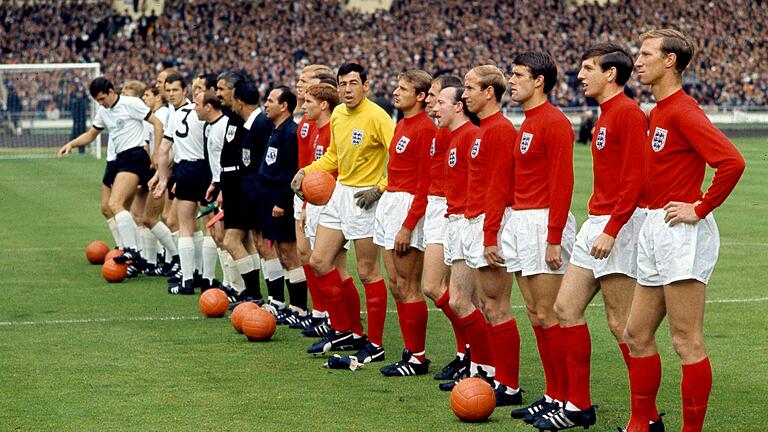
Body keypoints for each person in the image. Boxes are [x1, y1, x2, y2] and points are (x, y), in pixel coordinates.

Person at [622, 29, 745, 432]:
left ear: (670, 61)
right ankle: (643, 423)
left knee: (684, 339)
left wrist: (701, 206)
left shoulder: (682, 110)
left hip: (680, 230)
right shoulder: (657, 112)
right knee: (636, 333)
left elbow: (731, 162)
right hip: (656, 226)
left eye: (645, 54)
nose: (637, 61)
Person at [534, 43, 650, 431]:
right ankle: (578, 406)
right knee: (565, 309)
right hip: (596, 222)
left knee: (623, 326)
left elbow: (636, 180)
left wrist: (613, 231)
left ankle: (645, 418)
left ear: (611, 74)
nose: (579, 75)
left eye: (587, 68)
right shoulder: (604, 116)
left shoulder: (629, 114)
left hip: (618, 227)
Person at [291, 62, 395, 364]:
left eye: (353, 83)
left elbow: (400, 156)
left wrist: (381, 187)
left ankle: (375, 343)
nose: (347, 89)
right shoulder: (337, 114)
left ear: (366, 85)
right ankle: (348, 330)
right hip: (340, 193)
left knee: (367, 271)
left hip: (365, 197)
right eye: (342, 84)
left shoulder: (377, 117)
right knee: (320, 261)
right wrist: (306, 171)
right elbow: (334, 155)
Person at [503, 52, 577, 423]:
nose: (510, 80)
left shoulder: (554, 122)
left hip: (544, 222)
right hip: (522, 221)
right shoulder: (528, 122)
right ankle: (552, 394)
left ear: (539, 82)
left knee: (550, 315)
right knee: (535, 314)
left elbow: (563, 183)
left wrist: (553, 238)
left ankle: (569, 399)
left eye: (518, 75)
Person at [457, 64, 522, 407]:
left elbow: (499, 188)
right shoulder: (483, 130)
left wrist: (490, 235)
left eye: (469, 88)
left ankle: (509, 385)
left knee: (497, 305)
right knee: (485, 304)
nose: (464, 94)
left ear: (489, 93)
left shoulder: (500, 130)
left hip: (491, 224)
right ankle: (495, 375)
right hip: (477, 221)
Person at [56, 77, 164, 272]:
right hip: (120, 159)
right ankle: (135, 253)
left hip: (136, 155)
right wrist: (71, 144)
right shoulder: (103, 111)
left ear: (112, 91)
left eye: (102, 98)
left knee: (116, 204)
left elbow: (157, 124)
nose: (101, 103)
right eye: (98, 101)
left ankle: (132, 250)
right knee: (112, 207)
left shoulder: (130, 103)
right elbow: (91, 134)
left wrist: (155, 153)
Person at [371, 70, 435, 376]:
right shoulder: (401, 125)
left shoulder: (425, 129)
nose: (396, 93)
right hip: (390, 203)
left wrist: (409, 224)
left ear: (420, 97)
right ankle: (410, 352)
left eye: (403, 89)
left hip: (407, 207)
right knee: (396, 284)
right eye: (396, 87)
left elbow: (426, 183)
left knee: (409, 285)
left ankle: (418, 358)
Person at [431, 83, 484, 390]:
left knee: (470, 301)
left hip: (469, 221)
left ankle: (482, 367)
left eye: (440, 102)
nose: (434, 108)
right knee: (465, 300)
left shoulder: (470, 137)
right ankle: (473, 361)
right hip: (456, 219)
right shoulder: (455, 138)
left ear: (458, 106)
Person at [421, 75, 471, 382]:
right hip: (439, 207)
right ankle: (465, 352)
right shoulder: (439, 130)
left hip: (453, 211)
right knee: (447, 292)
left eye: (436, 97)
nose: (430, 101)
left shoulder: (460, 132)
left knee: (439, 288)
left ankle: (471, 352)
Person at [295, 82, 349, 337]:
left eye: (308, 101)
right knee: (320, 263)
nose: (303, 105)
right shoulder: (317, 129)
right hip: (317, 203)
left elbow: (333, 171)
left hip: (332, 204)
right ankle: (333, 321)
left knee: (331, 265)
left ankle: (341, 324)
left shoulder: (331, 130)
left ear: (324, 104)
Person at [151, 72, 209, 295]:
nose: (171, 94)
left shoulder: (178, 115)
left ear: (185, 91)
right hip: (202, 170)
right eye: (169, 90)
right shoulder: (203, 112)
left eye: (175, 90)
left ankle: (188, 279)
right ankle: (204, 277)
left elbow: (165, 150)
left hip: (187, 170)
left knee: (186, 226)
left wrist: (164, 178)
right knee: (201, 227)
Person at [257, 86, 309, 324]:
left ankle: (299, 308)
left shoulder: (290, 133)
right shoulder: (275, 130)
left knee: (290, 253)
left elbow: (290, 170)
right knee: (280, 251)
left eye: (270, 100)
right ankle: (290, 305)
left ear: (284, 106)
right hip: (268, 198)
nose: (266, 104)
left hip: (281, 201)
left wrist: (281, 201)